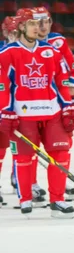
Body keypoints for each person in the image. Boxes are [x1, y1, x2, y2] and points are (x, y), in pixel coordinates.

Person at [0, 8, 74, 217]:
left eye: (38, 24)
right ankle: (25, 199)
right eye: (32, 24)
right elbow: (3, 86)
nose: (37, 27)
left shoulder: (52, 52)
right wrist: (6, 111)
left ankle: (58, 200)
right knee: (24, 158)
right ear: (22, 27)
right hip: (23, 116)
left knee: (61, 154)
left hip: (52, 112)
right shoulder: (7, 54)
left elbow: (61, 82)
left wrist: (68, 105)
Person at [34, 6, 74, 201]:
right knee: (29, 143)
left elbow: (72, 67)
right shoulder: (24, 45)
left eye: (46, 20)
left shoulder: (58, 41)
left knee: (63, 142)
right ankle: (26, 182)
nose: (43, 25)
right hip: (34, 102)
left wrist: (71, 96)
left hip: (59, 101)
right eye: (38, 21)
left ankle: (60, 179)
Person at [0, 16, 19, 207]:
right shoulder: (2, 52)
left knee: (21, 148)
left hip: (21, 108)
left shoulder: (27, 52)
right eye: (11, 32)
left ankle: (19, 180)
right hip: (3, 107)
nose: (14, 35)